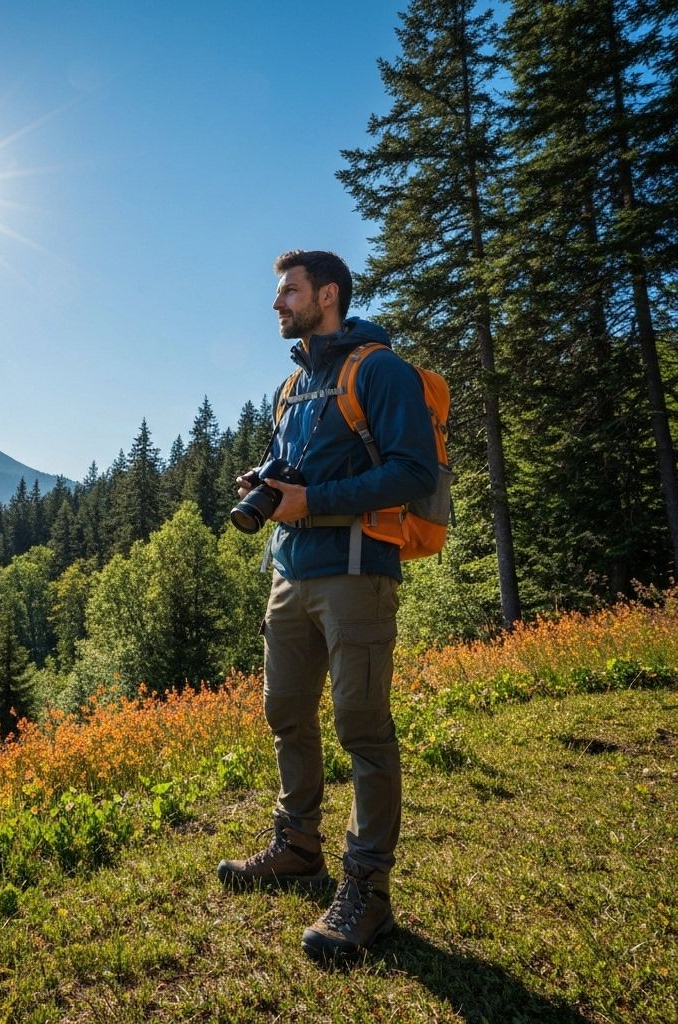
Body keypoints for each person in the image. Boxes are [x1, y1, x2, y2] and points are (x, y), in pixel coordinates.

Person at [217, 250, 439, 965]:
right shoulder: (293, 386)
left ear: (328, 295)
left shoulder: (379, 370)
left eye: (289, 290)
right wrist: (274, 483)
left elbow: (412, 470)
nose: (277, 303)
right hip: (290, 572)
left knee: (362, 728)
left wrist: (314, 502)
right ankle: (297, 847)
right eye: (278, 290)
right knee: (284, 709)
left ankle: (367, 891)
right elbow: (303, 469)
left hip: (355, 572)